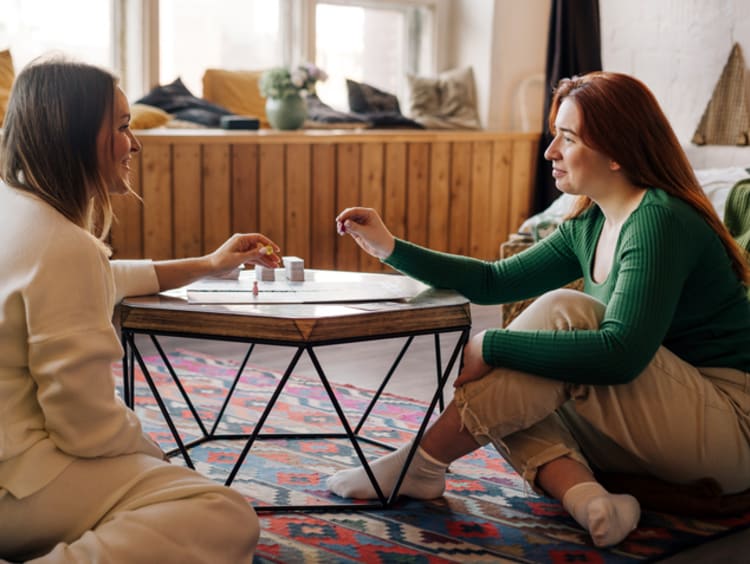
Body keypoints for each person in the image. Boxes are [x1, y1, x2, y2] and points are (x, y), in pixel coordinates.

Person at [329, 71, 750, 548]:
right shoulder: (590, 221)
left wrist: (494, 343)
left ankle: (422, 463)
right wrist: (388, 247)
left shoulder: (659, 220)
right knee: (517, 392)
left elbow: (621, 353)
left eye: (567, 138)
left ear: (617, 152)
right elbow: (493, 281)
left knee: (563, 312)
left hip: (729, 428)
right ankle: (589, 499)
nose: (550, 151)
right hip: (658, 421)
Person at [0, 57, 281, 562]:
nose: (135, 144)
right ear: (77, 134)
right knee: (222, 513)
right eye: (124, 127)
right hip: (16, 488)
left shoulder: (14, 210)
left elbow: (99, 278)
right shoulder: (62, 246)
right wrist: (156, 458)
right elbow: (85, 429)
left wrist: (208, 263)